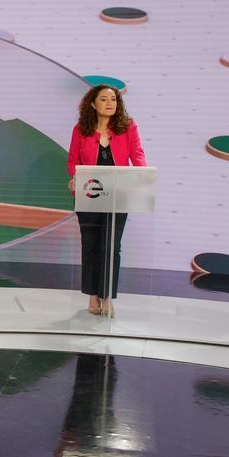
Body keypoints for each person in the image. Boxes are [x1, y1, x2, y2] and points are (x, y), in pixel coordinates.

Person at [66, 84, 146, 317]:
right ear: (93, 103)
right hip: (89, 195)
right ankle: (92, 295)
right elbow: (72, 160)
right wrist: (75, 178)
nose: (110, 103)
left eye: (114, 99)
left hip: (117, 195)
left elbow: (137, 154)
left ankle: (107, 297)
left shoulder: (128, 127)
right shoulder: (81, 129)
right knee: (90, 245)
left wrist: (141, 177)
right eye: (104, 99)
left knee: (112, 247)